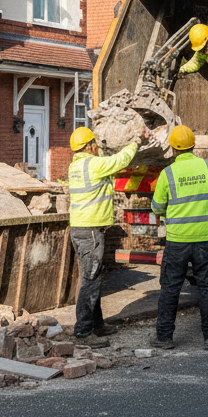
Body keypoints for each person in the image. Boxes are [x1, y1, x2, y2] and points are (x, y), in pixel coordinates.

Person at [66, 125, 147, 348]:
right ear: (90, 145)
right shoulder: (93, 164)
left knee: (95, 277)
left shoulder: (76, 165)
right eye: (95, 144)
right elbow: (120, 160)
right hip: (90, 230)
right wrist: (136, 142)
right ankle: (83, 331)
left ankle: (97, 325)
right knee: (90, 280)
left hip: (82, 228)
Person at [150, 125, 208, 350]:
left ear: (173, 148)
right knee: (207, 288)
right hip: (206, 239)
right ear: (194, 145)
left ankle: (164, 338)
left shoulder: (168, 174)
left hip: (178, 241)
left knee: (170, 288)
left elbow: (156, 208)